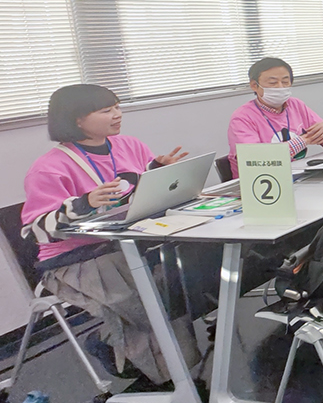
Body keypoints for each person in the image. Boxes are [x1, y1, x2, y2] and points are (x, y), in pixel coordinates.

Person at [22, 84, 198, 386]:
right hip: (76, 259)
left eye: (117, 106)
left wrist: (160, 171)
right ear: (77, 119)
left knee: (183, 280)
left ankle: (174, 366)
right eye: (106, 110)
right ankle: (126, 356)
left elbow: (140, 191)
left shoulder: (129, 145)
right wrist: (84, 203)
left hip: (127, 243)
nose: (117, 114)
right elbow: (34, 230)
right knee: (147, 302)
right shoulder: (49, 168)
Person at [227, 58, 323, 176]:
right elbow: (256, 161)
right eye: (272, 83)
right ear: (254, 85)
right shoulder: (242, 117)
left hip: (297, 175)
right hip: (261, 180)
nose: (280, 87)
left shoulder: (295, 105)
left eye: (285, 82)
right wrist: (304, 140)